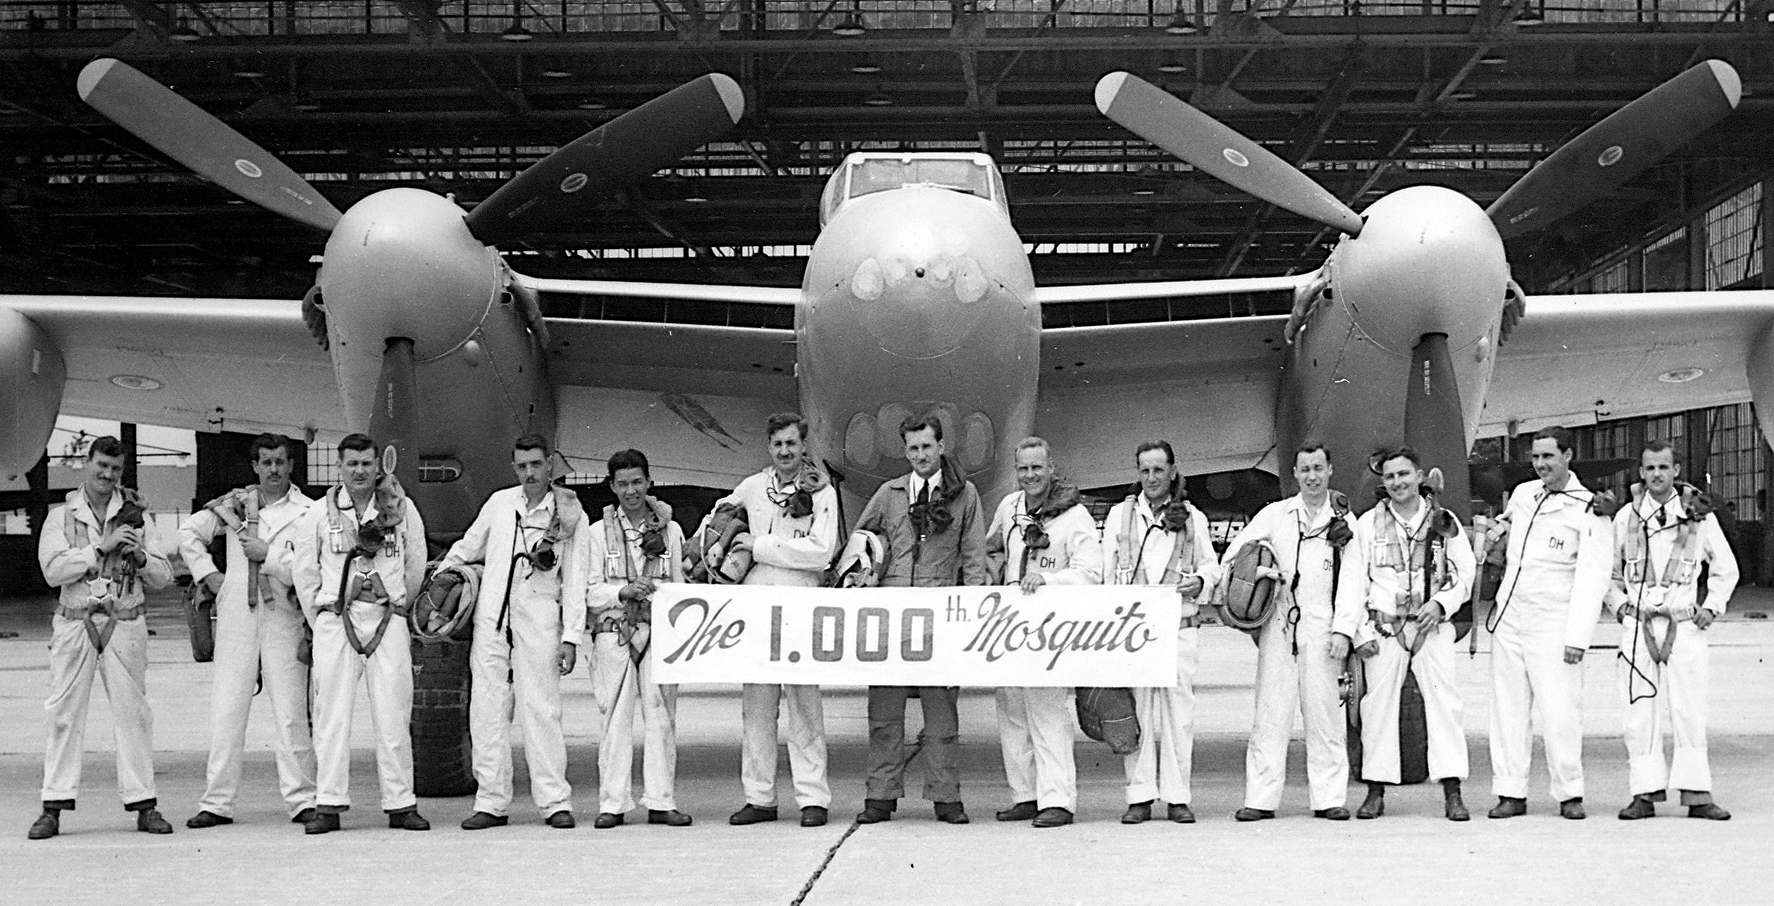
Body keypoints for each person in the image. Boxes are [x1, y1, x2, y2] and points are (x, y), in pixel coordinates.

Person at [30, 435, 175, 840]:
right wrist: (100, 548)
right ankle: (53, 806)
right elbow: (52, 571)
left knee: (134, 713)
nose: (107, 476)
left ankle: (144, 803)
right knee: (62, 713)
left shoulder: (137, 517)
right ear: (86, 465)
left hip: (125, 620)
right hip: (76, 620)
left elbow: (164, 575)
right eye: (101, 468)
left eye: (115, 470)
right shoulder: (62, 516)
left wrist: (140, 557)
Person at [440, 434, 587, 830]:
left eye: (537, 465)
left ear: (551, 464)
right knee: (486, 712)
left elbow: (575, 582)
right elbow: (468, 547)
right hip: (492, 622)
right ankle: (491, 802)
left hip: (539, 622)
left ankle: (554, 801)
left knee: (542, 711)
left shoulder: (570, 515)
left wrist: (571, 636)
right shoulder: (500, 504)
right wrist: (440, 579)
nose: (530, 473)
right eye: (522, 466)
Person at [852, 413, 988, 825]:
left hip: (940, 613)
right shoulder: (890, 493)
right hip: (893, 614)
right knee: (884, 712)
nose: (921, 455)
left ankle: (946, 797)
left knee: (942, 714)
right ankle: (880, 795)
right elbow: (863, 540)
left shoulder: (964, 495)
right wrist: (866, 575)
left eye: (927, 446)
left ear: (942, 447)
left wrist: (972, 614)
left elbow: (974, 558)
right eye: (913, 448)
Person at [293, 433, 429, 834]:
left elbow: (415, 561)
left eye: (367, 464)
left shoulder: (401, 510)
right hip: (337, 619)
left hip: (386, 619)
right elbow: (305, 573)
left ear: (378, 466)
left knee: (393, 712)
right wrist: (323, 618)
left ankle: (401, 803)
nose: (359, 471)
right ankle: (329, 803)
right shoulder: (319, 514)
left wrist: (398, 603)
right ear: (339, 466)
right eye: (352, 463)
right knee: (331, 713)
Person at [180, 433, 318, 829]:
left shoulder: (309, 512)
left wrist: (269, 556)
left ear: (291, 465)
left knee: (291, 711)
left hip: (284, 617)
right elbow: (189, 534)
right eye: (266, 462)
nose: (273, 469)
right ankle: (217, 802)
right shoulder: (235, 505)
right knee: (227, 709)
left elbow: (309, 567)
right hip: (238, 616)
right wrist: (211, 577)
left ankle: (302, 798)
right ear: (255, 466)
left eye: (280, 461)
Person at [1220, 442, 1358, 822]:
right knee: (1270, 712)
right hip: (1279, 624)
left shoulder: (1345, 521)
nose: (1312, 476)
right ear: (1294, 474)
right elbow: (1235, 556)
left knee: (1326, 715)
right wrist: (1257, 575)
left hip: (1323, 627)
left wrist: (1344, 631)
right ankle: (1261, 798)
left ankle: (1329, 797)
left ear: (1330, 470)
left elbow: (1353, 581)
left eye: (1318, 468)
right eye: (1305, 469)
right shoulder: (1276, 514)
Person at [1337, 447, 1476, 821]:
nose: (1397, 482)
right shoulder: (1367, 524)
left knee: (1444, 704)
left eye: (1404, 474)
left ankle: (1452, 790)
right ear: (1383, 483)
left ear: (1419, 476)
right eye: (1390, 477)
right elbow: (1353, 580)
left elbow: (1466, 571)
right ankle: (1375, 790)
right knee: (1377, 707)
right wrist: (1357, 631)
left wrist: (1443, 603)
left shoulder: (1444, 521)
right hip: (1385, 627)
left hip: (1431, 626)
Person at [1480, 427, 1610, 820]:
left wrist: (1578, 636)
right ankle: (1510, 792)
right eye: (1535, 458)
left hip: (1554, 620)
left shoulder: (1588, 508)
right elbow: (1504, 530)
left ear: (1568, 456)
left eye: (1548, 457)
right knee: (1508, 709)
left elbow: (1594, 576)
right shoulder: (1523, 495)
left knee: (1560, 710)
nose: (1540, 465)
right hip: (1510, 616)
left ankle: (1569, 792)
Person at [721, 414, 840, 829]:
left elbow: (821, 550)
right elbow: (720, 520)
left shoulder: (822, 491)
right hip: (757, 605)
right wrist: (725, 540)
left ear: (803, 446)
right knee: (757, 706)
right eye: (778, 445)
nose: (785, 451)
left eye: (792, 443)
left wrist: (761, 546)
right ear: (769, 447)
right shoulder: (752, 487)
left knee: (804, 704)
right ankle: (759, 797)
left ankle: (812, 797)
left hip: (800, 603)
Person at [1610, 440, 1737, 821]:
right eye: (1649, 468)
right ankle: (1644, 793)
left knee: (1689, 708)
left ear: (1677, 471)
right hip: (1639, 622)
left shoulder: (1698, 515)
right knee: (1638, 709)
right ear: (1641, 472)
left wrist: (1712, 607)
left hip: (1683, 622)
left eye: (1663, 468)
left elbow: (1725, 568)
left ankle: (1697, 793)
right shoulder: (1626, 517)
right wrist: (1618, 606)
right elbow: (1607, 573)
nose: (1656, 476)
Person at [1100, 441, 1220, 825]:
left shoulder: (1192, 517)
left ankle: (1176, 796)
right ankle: (1139, 796)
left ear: (1172, 471)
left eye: (1158, 470)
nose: (1151, 478)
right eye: (1145, 470)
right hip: (1133, 632)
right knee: (1135, 713)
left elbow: (1211, 567)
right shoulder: (1120, 516)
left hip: (1178, 629)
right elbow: (1105, 575)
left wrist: (1200, 581)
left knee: (1177, 716)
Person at [987, 437, 1103, 827]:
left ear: (1051, 468)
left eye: (1037, 467)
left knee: (1047, 712)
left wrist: (1050, 580)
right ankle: (1026, 794)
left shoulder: (1075, 517)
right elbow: (992, 550)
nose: (1030, 475)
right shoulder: (1009, 508)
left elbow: (1091, 573)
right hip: (1010, 628)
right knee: (1012, 710)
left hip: (1051, 632)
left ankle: (1057, 799)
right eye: (1023, 468)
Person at [585, 449, 690, 829]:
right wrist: (622, 592)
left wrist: (657, 595)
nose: (631, 491)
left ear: (649, 482)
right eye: (623, 484)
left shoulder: (670, 530)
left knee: (662, 717)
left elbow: (679, 585)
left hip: (658, 632)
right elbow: (589, 590)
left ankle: (662, 800)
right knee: (615, 719)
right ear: (612, 486)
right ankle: (613, 803)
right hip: (614, 633)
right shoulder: (597, 533)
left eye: (637, 482)